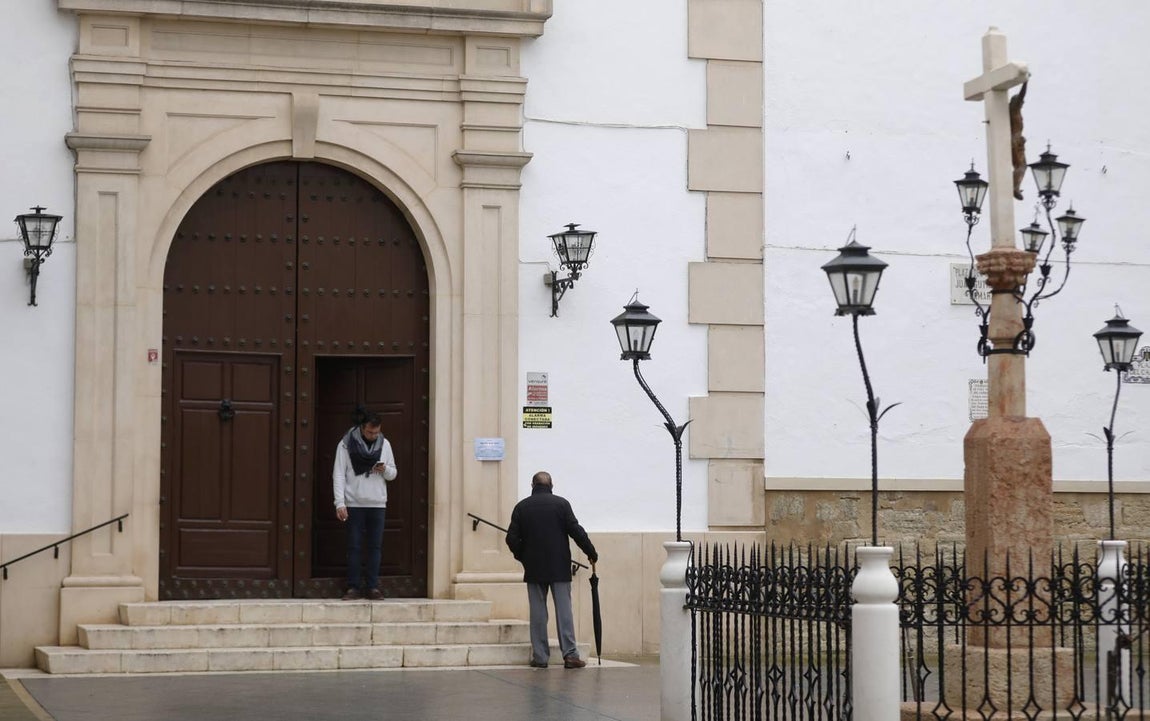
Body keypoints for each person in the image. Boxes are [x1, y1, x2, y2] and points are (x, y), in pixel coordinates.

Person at [505, 471, 598, 669]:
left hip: (534, 567)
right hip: (559, 566)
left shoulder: (522, 507)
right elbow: (576, 531)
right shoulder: (561, 504)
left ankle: (540, 656)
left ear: (532, 485)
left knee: (538, 613)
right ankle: (570, 655)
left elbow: (511, 538)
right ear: (551, 485)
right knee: (564, 611)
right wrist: (591, 552)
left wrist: (523, 556)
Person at [332, 412, 397, 601]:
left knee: (375, 547)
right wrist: (340, 502)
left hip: (377, 503)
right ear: (362, 428)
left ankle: (372, 587)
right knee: (354, 546)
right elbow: (339, 474)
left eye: (376, 432)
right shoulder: (345, 445)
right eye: (370, 432)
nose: (373, 436)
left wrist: (384, 469)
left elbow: (393, 474)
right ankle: (353, 587)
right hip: (354, 503)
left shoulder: (385, 444)